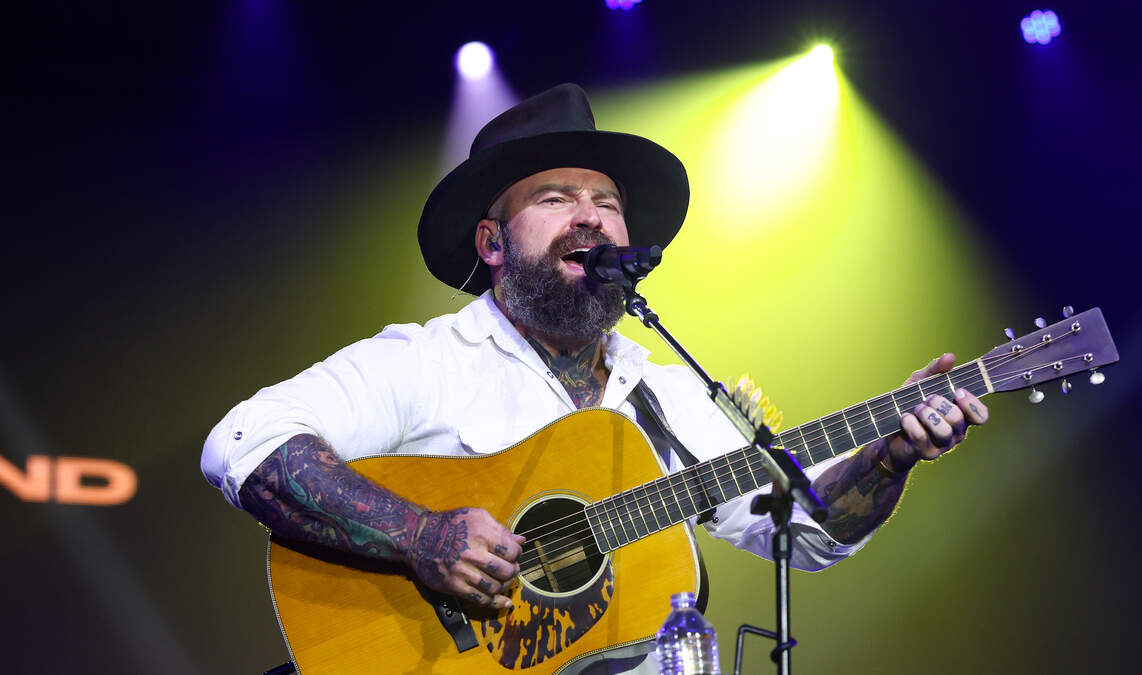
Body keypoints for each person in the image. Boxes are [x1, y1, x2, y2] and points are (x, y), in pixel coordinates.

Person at [201, 83, 988, 674]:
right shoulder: (426, 359)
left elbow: (811, 529)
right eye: (556, 197)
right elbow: (244, 443)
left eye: (606, 202)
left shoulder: (670, 396)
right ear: (492, 242)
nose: (591, 216)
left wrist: (889, 455)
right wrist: (422, 535)